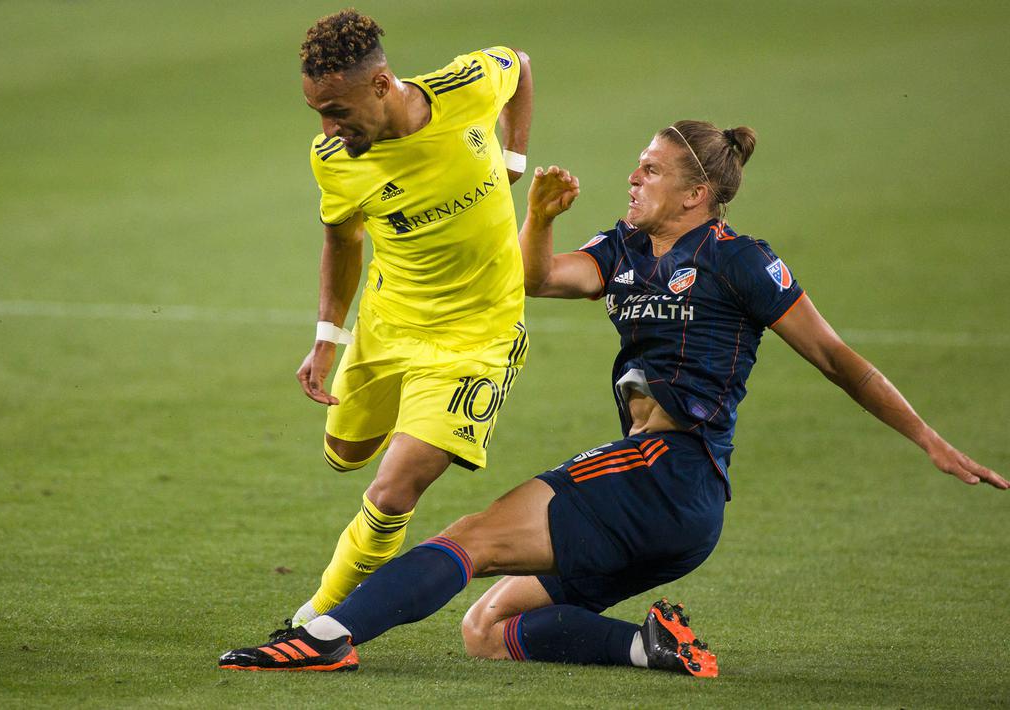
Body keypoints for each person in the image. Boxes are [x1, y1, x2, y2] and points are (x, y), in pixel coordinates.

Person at [220, 120, 1006, 674]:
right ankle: (650, 646)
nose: (633, 178)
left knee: (472, 538)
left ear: (697, 192)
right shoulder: (622, 248)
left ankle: (326, 634)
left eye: (651, 170)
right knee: (488, 629)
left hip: (673, 471)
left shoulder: (740, 261)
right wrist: (537, 218)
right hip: (664, 503)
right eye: (636, 166)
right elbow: (536, 278)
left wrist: (926, 437)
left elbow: (837, 358)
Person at [283, 9, 535, 628]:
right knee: (344, 454)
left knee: (391, 493)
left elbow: (520, 66)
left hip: (475, 338)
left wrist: (514, 161)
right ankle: (413, 412)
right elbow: (343, 241)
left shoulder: (465, 87)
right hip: (389, 325)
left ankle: (317, 618)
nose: (327, 127)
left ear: (380, 84)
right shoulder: (334, 159)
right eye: (317, 111)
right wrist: (326, 338)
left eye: (337, 111)